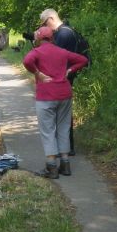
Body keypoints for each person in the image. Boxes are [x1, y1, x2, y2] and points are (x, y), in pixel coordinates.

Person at [22, 26, 88, 178]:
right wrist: (69, 71)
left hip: (46, 96)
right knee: (63, 129)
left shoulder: (37, 51)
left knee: (48, 131)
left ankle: (51, 167)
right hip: (65, 94)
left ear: (38, 38)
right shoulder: (62, 51)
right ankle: (65, 165)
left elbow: (27, 61)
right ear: (52, 38)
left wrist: (38, 73)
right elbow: (83, 60)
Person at [39, 8, 79, 155]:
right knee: (63, 115)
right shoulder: (68, 30)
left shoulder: (63, 34)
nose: (44, 27)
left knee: (60, 116)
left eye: (44, 23)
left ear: (50, 18)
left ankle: (65, 150)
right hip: (66, 77)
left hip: (62, 79)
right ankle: (67, 149)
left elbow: (55, 59)